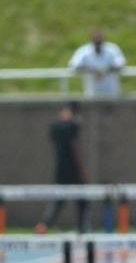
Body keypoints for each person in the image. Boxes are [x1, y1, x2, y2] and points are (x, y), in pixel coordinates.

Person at [35, 103, 89, 234]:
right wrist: (82, 170)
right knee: (82, 200)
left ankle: (44, 225)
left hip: (60, 168)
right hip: (73, 169)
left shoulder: (55, 127)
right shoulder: (72, 126)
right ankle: (83, 230)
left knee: (58, 201)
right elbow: (75, 147)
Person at [68, 29, 127, 97]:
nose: (98, 44)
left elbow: (121, 65)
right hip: (92, 92)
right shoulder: (83, 51)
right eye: (96, 41)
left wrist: (105, 71)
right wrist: (93, 71)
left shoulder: (112, 49)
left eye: (99, 41)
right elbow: (74, 66)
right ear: (91, 40)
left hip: (112, 92)